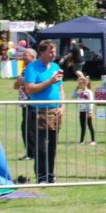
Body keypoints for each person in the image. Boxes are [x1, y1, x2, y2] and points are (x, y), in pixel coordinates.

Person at [24, 40, 64, 183]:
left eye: (54, 52)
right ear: (41, 53)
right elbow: (29, 89)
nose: (54, 55)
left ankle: (50, 175)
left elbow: (60, 88)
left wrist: (62, 106)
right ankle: (41, 176)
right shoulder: (32, 68)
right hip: (39, 112)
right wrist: (49, 82)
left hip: (55, 111)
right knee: (41, 147)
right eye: (50, 52)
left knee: (52, 146)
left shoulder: (55, 67)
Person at [15, 47, 37, 159]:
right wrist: (18, 82)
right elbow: (16, 85)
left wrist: (22, 80)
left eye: (26, 55)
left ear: (33, 57)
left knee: (29, 127)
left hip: (31, 102)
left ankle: (32, 153)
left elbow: (34, 81)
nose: (24, 57)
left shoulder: (34, 68)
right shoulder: (25, 68)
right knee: (25, 127)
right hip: (24, 102)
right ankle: (29, 151)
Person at [74, 75, 96, 145]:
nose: (79, 85)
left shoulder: (89, 92)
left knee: (90, 125)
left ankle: (93, 140)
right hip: (81, 111)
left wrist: (90, 112)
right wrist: (76, 89)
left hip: (87, 111)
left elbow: (91, 102)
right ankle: (81, 141)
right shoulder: (80, 92)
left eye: (80, 84)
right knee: (82, 126)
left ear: (85, 83)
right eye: (78, 84)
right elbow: (73, 96)